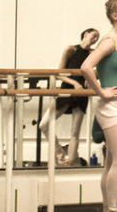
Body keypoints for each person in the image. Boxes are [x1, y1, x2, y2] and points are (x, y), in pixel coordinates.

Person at [81, 0, 117, 212]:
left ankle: (107, 207)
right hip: (110, 104)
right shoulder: (109, 42)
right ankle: (112, 208)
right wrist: (100, 91)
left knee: (112, 161)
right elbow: (86, 67)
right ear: (115, 16)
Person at [39, 28, 100, 166]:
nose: (95, 39)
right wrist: (73, 83)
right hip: (67, 90)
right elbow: (59, 72)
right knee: (43, 124)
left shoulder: (93, 53)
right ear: (85, 34)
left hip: (82, 93)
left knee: (75, 132)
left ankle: (71, 162)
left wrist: (91, 78)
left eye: (97, 38)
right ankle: (59, 152)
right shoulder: (70, 49)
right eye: (94, 35)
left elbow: (101, 69)